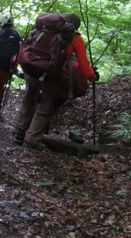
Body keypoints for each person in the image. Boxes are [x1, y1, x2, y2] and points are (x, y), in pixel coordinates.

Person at [13, 12, 97, 149]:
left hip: (31, 68)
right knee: (45, 106)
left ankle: (18, 133)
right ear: (75, 26)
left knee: (29, 98)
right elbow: (85, 67)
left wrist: (16, 64)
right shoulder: (73, 37)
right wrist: (93, 77)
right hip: (51, 74)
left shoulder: (41, 28)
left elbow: (24, 46)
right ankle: (31, 141)